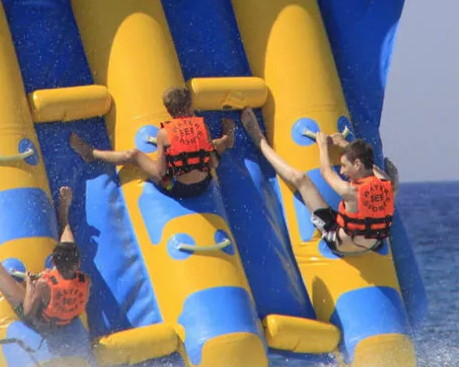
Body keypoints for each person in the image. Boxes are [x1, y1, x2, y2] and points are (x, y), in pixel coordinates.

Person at [241, 107, 398, 256]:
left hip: (341, 244)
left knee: (300, 179)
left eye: (344, 166)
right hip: (373, 244)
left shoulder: (351, 192)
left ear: (357, 164)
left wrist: (322, 144)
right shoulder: (386, 183)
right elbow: (369, 166)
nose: (342, 171)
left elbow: (326, 172)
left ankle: (259, 139)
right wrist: (344, 145)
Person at [0, 186, 90, 330]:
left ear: (53, 261)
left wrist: (30, 286)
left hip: (38, 320)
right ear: (78, 264)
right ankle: (63, 217)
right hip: (60, 318)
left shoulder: (44, 284)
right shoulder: (85, 281)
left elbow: (28, 313)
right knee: (69, 246)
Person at [69, 86, 235, 198]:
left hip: (176, 188)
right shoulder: (202, 126)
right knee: (212, 145)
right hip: (204, 185)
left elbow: (162, 173)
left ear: (168, 110)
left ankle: (91, 154)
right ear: (190, 106)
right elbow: (212, 162)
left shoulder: (164, 134)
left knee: (133, 155)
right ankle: (227, 139)